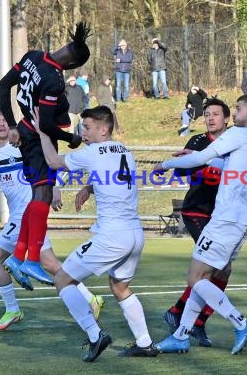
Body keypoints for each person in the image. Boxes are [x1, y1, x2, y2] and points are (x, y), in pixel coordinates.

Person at [153, 94, 247, 355]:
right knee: (206, 277)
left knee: (195, 276)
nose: (236, 114)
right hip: (244, 220)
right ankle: (181, 335)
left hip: (226, 218)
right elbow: (231, 166)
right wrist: (202, 156)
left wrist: (165, 164)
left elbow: (198, 161)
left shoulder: (239, 133)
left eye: (239, 109)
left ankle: (240, 322)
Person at [35, 105, 158, 361]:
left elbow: (53, 162)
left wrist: (43, 133)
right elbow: (113, 176)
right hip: (135, 233)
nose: (84, 132)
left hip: (112, 236)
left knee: (63, 280)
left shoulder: (94, 151)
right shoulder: (125, 150)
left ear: (104, 129)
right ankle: (145, 343)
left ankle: (95, 335)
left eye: (88, 127)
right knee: (120, 286)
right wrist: (89, 188)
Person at [0, 106, 103, 331]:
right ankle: (89, 298)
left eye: (3, 120)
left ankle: (13, 309)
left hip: (27, 211)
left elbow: (49, 161)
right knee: (47, 263)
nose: (1, 124)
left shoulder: (19, 144)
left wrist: (55, 186)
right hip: (22, 216)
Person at [0, 22, 90, 288]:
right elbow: (46, 125)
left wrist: (14, 125)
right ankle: (31, 260)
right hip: (38, 139)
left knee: (39, 197)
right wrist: (70, 137)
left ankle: (18, 257)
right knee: (43, 196)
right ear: (73, 63)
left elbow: (3, 88)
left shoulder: (33, 56)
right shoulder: (53, 80)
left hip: (25, 132)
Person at [163, 97, 230, 347]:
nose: (210, 118)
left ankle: (189, 318)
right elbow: (182, 170)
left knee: (223, 270)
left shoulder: (234, 142)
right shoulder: (198, 142)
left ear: (226, 119)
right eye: (207, 114)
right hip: (197, 211)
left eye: (215, 114)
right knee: (211, 267)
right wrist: (205, 165)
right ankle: (185, 319)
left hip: (223, 215)